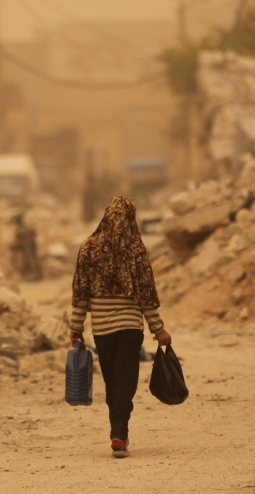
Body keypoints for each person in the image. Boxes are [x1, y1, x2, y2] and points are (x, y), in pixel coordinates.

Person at [69, 195, 171, 459]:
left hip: (102, 329)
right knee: (125, 380)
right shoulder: (134, 249)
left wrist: (76, 327)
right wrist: (158, 329)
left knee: (113, 380)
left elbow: (81, 294)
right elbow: (145, 296)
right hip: (129, 328)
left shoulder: (88, 248)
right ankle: (119, 433)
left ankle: (118, 432)